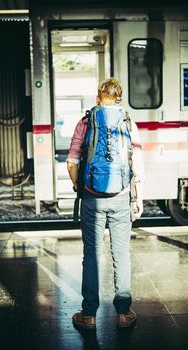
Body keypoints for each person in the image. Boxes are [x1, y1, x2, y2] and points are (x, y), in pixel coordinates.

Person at [67, 78, 144, 329]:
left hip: (91, 198)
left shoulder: (86, 121)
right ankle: (123, 313)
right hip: (121, 197)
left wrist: (78, 186)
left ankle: (88, 315)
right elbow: (137, 163)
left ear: (99, 97)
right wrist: (137, 197)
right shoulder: (128, 121)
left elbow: (71, 161)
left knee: (91, 255)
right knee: (121, 255)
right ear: (119, 97)